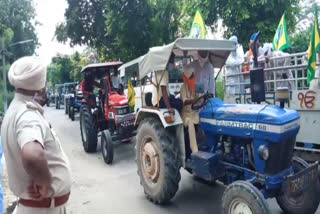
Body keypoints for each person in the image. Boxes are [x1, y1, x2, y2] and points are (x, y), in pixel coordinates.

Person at [0, 57, 71, 214]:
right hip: (43, 209)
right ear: (41, 87)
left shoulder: (14, 110)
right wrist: (44, 180)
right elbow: (33, 155)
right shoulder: (27, 115)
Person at [180, 67, 200, 153]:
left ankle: (206, 146)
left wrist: (202, 96)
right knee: (191, 123)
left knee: (205, 119)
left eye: (193, 76)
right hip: (185, 114)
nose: (193, 77)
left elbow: (199, 98)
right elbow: (184, 101)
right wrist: (193, 101)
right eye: (191, 76)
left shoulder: (195, 86)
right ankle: (195, 151)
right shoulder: (183, 87)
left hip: (194, 112)